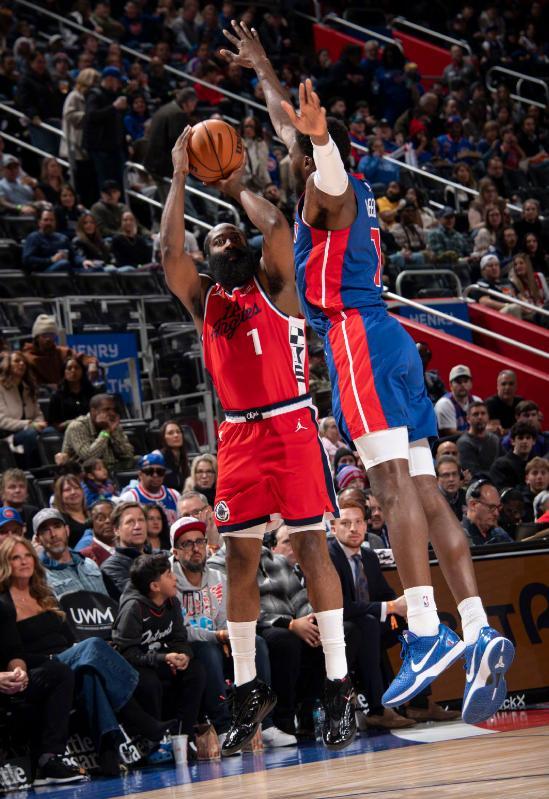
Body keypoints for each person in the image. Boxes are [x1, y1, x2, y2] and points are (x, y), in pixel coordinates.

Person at [222, 23, 513, 725]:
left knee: (389, 486)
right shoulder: (334, 198)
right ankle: (477, 627)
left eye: (296, 146)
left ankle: (425, 629)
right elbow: (286, 130)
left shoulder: (330, 189)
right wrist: (261, 66)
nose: (286, 147)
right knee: (426, 490)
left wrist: (318, 139)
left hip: (357, 341)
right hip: (391, 342)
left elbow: (317, 157)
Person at [161, 126, 355, 754]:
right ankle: (247, 686)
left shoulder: (277, 285)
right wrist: (180, 175)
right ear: (210, 257)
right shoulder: (204, 301)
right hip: (238, 434)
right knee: (241, 559)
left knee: (313, 547)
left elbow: (274, 225)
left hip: (292, 422)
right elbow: (169, 252)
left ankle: (339, 681)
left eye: (230, 236)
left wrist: (233, 184)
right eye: (216, 240)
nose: (226, 242)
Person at [0, 536, 168, 776]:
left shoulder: (44, 595)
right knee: (93, 646)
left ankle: (108, 754)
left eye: (27, 555)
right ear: (6, 564)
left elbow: (68, 639)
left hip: (67, 659)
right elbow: (14, 652)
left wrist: (77, 653)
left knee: (91, 673)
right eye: (16, 558)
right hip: (42, 666)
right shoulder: (4, 604)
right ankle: (141, 720)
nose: (24, 561)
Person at [170, 516, 292, 747]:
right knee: (207, 651)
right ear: (175, 552)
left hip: (220, 639)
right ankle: (225, 728)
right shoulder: (170, 581)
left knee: (256, 642)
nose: (196, 549)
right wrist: (217, 636)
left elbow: (226, 618)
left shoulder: (218, 578)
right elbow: (180, 630)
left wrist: (226, 635)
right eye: (187, 544)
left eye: (200, 541)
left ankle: (264, 723)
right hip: (188, 647)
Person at [0, 569, 87, 785]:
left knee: (61, 672)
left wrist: (18, 671)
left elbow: (13, 651)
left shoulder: (2, 608)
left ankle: (48, 761)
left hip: (11, 677)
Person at [111, 553, 206, 743]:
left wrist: (183, 655)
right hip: (135, 665)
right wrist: (163, 658)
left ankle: (183, 736)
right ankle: (153, 741)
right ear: (155, 586)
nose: (175, 578)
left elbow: (179, 638)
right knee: (149, 682)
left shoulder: (172, 602)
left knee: (196, 670)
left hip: (161, 659)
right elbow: (126, 653)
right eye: (169, 575)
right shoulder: (133, 608)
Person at [33, 508, 112, 600]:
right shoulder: (40, 576)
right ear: (38, 540)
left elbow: (107, 602)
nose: (53, 534)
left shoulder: (90, 564)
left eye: (57, 526)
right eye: (45, 530)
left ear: (67, 530)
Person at [144, 87, 198, 200]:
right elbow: (178, 142)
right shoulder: (178, 114)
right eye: (194, 104)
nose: (194, 108)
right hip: (164, 166)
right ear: (188, 102)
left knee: (167, 201)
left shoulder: (166, 108)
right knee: (173, 201)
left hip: (153, 162)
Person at [61, 393, 134, 471]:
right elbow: (88, 457)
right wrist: (106, 431)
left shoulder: (112, 424)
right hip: (85, 473)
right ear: (94, 411)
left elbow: (128, 454)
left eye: (113, 409)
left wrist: (114, 433)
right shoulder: (77, 426)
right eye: (107, 409)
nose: (112, 413)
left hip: (112, 469)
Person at [22, 313, 98, 387]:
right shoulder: (26, 358)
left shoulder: (63, 352)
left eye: (51, 335)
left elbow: (83, 358)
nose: (48, 339)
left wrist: (92, 364)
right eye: (44, 335)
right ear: (37, 337)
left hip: (63, 392)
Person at [60, 67, 100, 207]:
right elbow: (69, 115)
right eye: (94, 81)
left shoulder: (91, 97)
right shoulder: (74, 96)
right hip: (75, 144)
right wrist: (89, 116)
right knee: (80, 181)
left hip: (88, 145)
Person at [0, 351, 46, 468]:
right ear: (8, 365)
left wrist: (38, 423)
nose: (21, 364)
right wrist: (29, 424)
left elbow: (38, 414)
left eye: (24, 362)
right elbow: (2, 420)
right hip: (8, 436)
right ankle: (34, 472)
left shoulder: (28, 388)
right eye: (17, 361)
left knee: (50, 432)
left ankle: (50, 472)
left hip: (31, 430)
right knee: (30, 435)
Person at [83, 66, 127, 188]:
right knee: (106, 183)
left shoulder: (115, 95)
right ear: (109, 79)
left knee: (120, 181)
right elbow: (91, 116)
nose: (119, 85)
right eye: (117, 81)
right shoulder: (94, 94)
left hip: (115, 147)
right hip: (101, 148)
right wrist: (114, 107)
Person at [119, 452, 180, 525]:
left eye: (160, 472)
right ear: (140, 474)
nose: (155, 475)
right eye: (149, 471)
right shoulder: (129, 498)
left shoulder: (174, 495)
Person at [101, 501, 148, 593]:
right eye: (130, 522)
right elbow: (136, 595)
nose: (138, 526)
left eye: (141, 520)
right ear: (116, 530)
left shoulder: (160, 555)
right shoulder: (111, 567)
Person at [46, 357, 97, 432]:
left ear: (82, 371)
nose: (73, 371)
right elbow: (54, 425)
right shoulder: (57, 396)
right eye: (69, 368)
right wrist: (71, 423)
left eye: (76, 368)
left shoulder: (92, 392)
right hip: (67, 431)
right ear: (64, 373)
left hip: (91, 429)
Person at [457, 401, 502, 478]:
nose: (480, 417)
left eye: (483, 413)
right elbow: (473, 472)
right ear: (468, 419)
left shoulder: (495, 439)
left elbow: (504, 462)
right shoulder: (464, 443)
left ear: (488, 417)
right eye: (476, 414)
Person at [462, 480, 514, 546]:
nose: (497, 513)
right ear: (473, 505)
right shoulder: (458, 536)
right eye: (491, 507)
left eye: (498, 507)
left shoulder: (499, 534)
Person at [434, 365, 482, 436]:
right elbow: (450, 433)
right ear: (450, 385)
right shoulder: (444, 404)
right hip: (450, 442)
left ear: (471, 383)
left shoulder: (477, 401)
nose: (462, 385)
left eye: (465, 381)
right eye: (458, 382)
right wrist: (478, 433)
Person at [22, 209, 74, 273]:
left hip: (64, 269)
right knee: (64, 263)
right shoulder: (33, 237)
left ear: (55, 223)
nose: (49, 223)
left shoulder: (63, 238)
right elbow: (27, 259)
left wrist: (83, 261)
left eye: (51, 220)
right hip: (43, 273)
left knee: (85, 269)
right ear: (39, 222)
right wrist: (50, 260)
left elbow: (74, 256)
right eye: (46, 220)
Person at [490, 422, 538, 490]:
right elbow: (504, 492)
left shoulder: (538, 464)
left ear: (534, 441)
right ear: (512, 441)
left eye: (528, 438)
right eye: (520, 438)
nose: (525, 441)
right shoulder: (500, 465)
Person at [51, 474, 89, 548]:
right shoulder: (59, 520)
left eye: (76, 488)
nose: (73, 492)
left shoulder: (92, 513)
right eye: (67, 490)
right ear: (60, 495)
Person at [0, 469, 39, 538]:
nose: (18, 490)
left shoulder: (34, 513)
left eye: (21, 486)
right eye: (12, 487)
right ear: (2, 492)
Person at [79, 500, 116, 565]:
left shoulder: (128, 548)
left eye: (112, 517)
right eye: (100, 518)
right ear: (91, 524)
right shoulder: (84, 556)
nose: (108, 521)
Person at [158, 419, 190, 492]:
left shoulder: (184, 459)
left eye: (178, 432)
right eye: (170, 433)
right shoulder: (158, 456)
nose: (176, 435)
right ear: (163, 438)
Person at [435, 455, 466, 522]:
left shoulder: (466, 497)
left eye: (454, 474)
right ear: (437, 479)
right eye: (446, 475)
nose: (451, 479)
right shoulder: (431, 501)